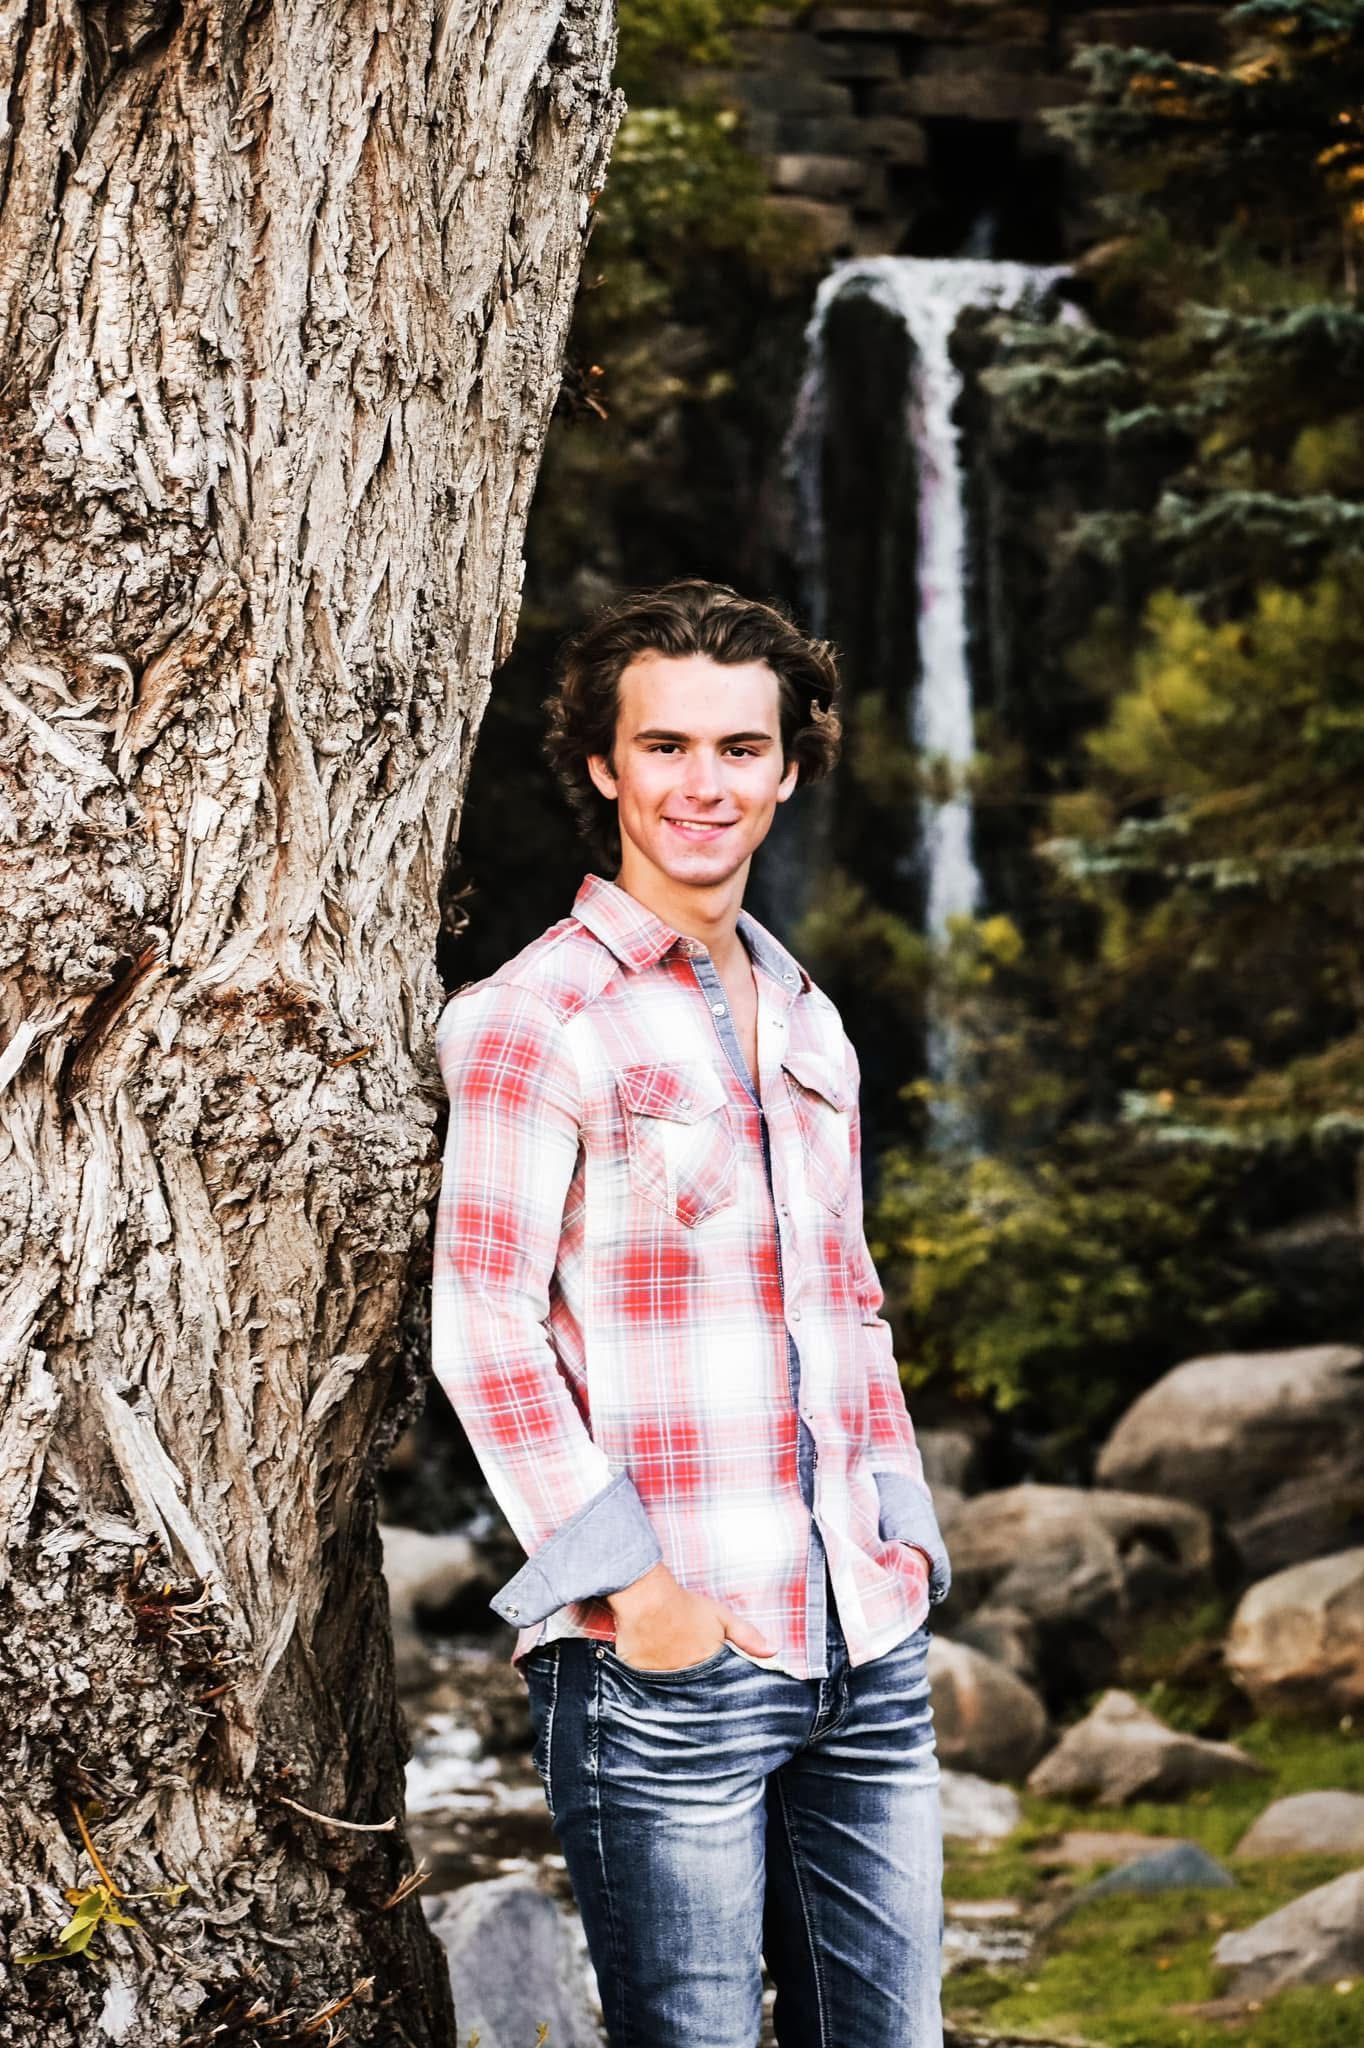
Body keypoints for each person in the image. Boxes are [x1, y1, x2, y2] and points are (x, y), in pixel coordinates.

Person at [431, 579, 952, 2047]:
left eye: (739, 749)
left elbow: (845, 1293)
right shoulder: (539, 1016)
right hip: (667, 1662)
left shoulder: (810, 1018)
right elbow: (482, 1326)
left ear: (790, 768)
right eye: (666, 748)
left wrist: (900, 1519)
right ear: (603, 767)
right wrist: (639, 1597)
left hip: (866, 1639)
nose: (702, 785)